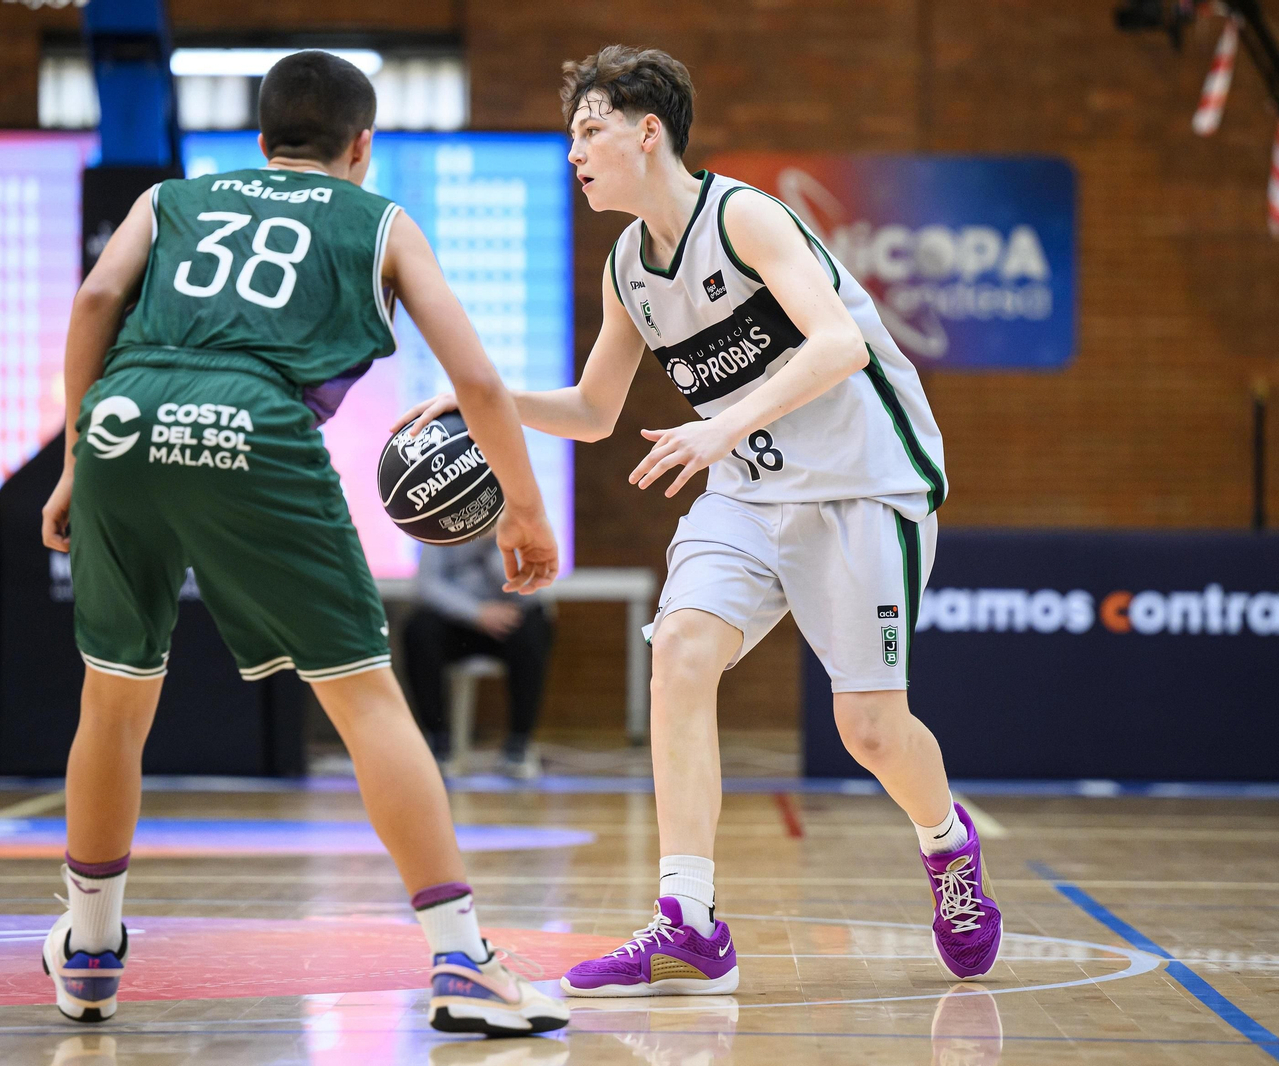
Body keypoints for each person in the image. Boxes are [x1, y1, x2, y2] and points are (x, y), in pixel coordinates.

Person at [396, 45, 1001, 997]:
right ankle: (688, 921)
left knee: (871, 731)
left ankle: (946, 845)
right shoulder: (630, 265)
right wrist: (488, 402)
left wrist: (717, 426)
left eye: (589, 131)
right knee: (679, 651)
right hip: (749, 491)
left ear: (648, 132)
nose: (574, 154)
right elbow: (596, 411)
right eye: (570, 138)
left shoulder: (746, 216)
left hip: (863, 486)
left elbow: (839, 343)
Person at [38, 51, 568, 1036]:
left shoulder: (168, 198)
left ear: (259, 141)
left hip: (123, 415)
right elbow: (481, 386)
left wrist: (76, 454)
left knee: (111, 701)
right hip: (256, 420)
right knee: (367, 699)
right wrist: (524, 510)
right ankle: (462, 958)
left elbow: (92, 304)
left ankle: (90, 949)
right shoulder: (381, 221)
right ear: (361, 147)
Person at [403, 540, 555, 778]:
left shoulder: (519, 526)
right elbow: (427, 584)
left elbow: (530, 593)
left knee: (536, 627)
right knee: (418, 629)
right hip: (458, 620)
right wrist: (477, 613)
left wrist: (496, 546)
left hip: (507, 621)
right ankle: (439, 742)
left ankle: (518, 744)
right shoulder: (440, 524)